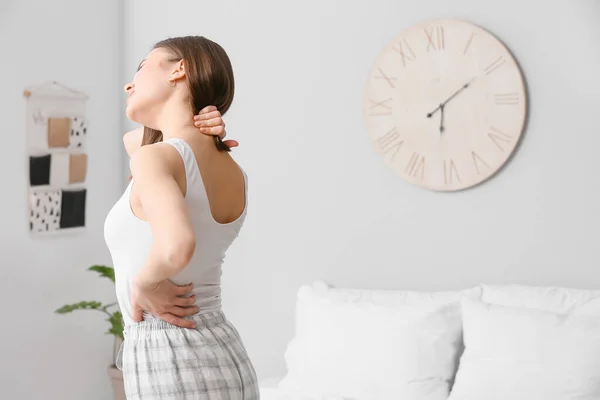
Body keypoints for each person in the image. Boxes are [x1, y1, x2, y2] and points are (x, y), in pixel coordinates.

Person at [103, 35, 259, 399]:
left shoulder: (154, 159)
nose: (129, 83)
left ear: (179, 69)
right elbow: (135, 140)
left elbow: (178, 245)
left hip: (169, 353)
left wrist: (143, 284)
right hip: (223, 349)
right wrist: (199, 124)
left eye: (141, 68)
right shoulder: (232, 169)